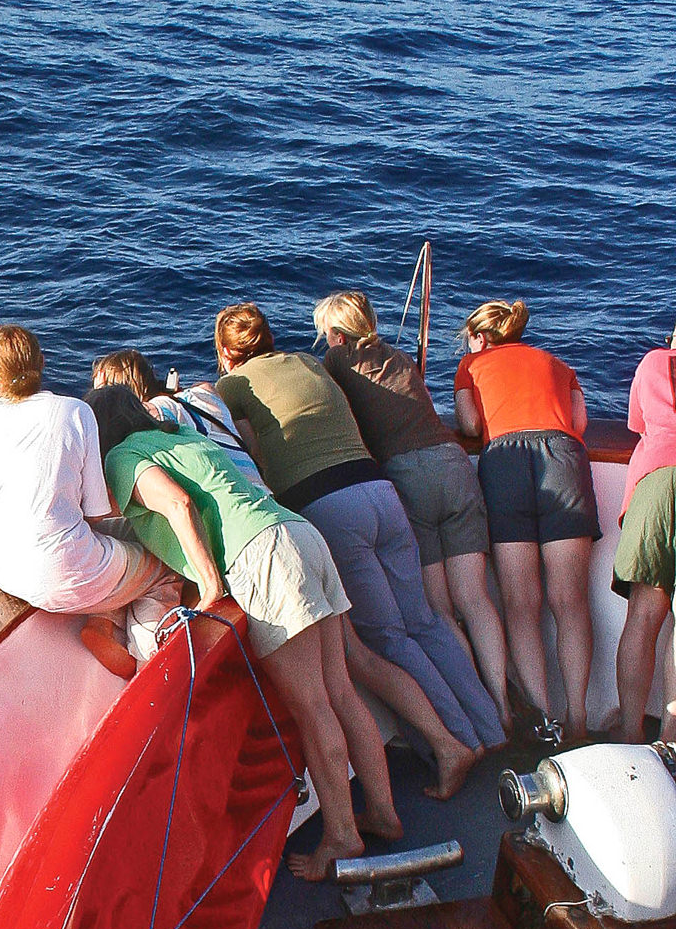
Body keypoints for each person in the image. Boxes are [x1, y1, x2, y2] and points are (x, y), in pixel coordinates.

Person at [85, 384, 402, 880]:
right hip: (299, 535)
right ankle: (383, 812)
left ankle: (343, 836)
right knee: (340, 691)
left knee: (312, 706)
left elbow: (176, 506)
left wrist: (209, 584)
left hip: (262, 557)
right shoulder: (179, 439)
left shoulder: (124, 455)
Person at [215, 303, 506, 754]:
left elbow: (236, 443)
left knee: (389, 637)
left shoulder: (232, 384)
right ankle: (492, 730)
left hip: (329, 504)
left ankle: (460, 746)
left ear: (226, 353)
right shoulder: (309, 361)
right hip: (379, 490)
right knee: (425, 623)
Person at [314, 291, 512, 734]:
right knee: (476, 600)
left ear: (338, 334)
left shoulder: (337, 362)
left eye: (325, 334)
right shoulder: (402, 357)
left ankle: (476, 708)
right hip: (452, 463)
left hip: (408, 474)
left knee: (438, 611)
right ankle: (501, 703)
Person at [0, 326, 181, 680]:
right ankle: (145, 657)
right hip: (64, 573)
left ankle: (104, 622)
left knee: (109, 550)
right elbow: (96, 513)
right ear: (42, 362)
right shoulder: (75, 411)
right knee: (164, 565)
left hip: (6, 573)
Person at [455, 300, 598, 741]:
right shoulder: (556, 363)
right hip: (562, 457)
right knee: (570, 600)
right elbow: (579, 422)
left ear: (480, 337)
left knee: (521, 603)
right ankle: (578, 719)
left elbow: (469, 423)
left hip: (505, 462)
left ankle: (545, 722)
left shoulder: (472, 364)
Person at [611, 333, 676, 742]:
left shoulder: (654, 362)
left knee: (643, 618)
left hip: (657, 483)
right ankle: (671, 738)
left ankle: (629, 735)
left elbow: (638, 424)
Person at [91, 350, 267, 486]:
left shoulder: (150, 414)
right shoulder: (205, 392)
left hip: (233, 510)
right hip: (263, 493)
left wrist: (104, 401)